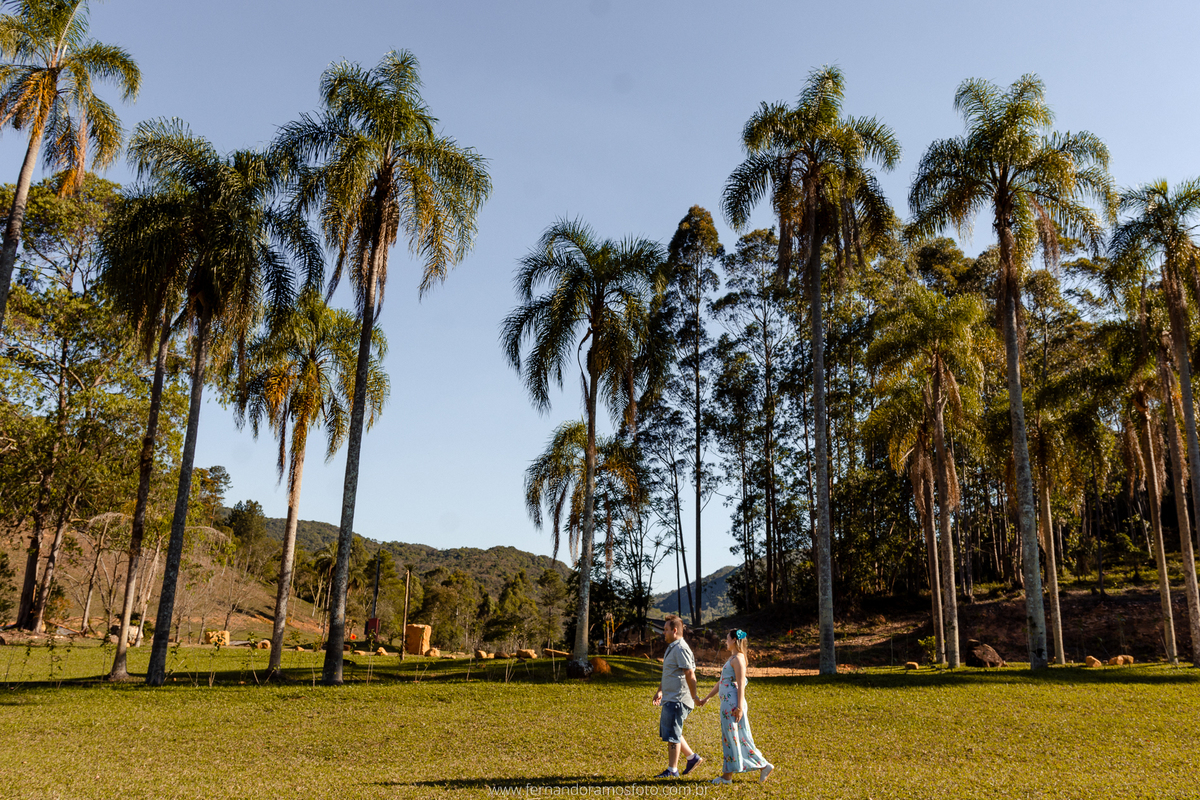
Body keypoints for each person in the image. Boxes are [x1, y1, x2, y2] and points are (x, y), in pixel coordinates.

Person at [697, 629, 773, 785]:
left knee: (733, 738)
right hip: (728, 704)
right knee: (734, 738)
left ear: (733, 640)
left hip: (732, 705)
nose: (725, 642)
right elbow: (722, 682)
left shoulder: (738, 659)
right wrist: (707, 698)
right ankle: (759, 766)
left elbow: (741, 686)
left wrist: (739, 707)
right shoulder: (732, 658)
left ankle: (728, 776)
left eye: (727, 639)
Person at [650, 614, 703, 778]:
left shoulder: (680, 648)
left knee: (673, 735)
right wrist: (660, 690)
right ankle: (692, 758)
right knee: (674, 731)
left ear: (675, 630)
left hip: (679, 699)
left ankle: (672, 770)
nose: (663, 633)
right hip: (670, 697)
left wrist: (694, 696)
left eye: (666, 630)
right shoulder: (672, 647)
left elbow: (690, 674)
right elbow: (669, 673)